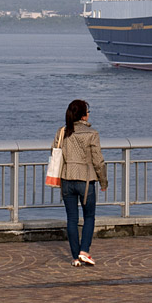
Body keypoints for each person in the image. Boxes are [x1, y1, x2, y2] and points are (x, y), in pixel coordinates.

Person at [54, 99, 107, 267]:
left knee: (71, 219)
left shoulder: (62, 132)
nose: (89, 114)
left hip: (66, 178)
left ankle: (75, 258)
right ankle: (84, 251)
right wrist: (103, 181)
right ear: (83, 116)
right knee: (89, 216)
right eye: (88, 111)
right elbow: (98, 161)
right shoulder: (92, 134)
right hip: (86, 180)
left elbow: (55, 153)